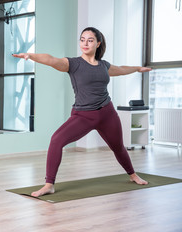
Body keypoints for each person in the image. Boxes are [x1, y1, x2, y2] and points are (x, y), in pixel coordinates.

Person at [13, 27, 151, 197]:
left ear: (98, 43)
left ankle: (133, 175)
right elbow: (50, 59)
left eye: (90, 40)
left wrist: (137, 68)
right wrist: (31, 56)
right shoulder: (73, 64)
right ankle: (49, 184)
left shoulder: (103, 65)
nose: (85, 43)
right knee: (56, 140)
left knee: (118, 147)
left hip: (107, 113)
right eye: (82, 39)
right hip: (84, 115)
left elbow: (121, 70)